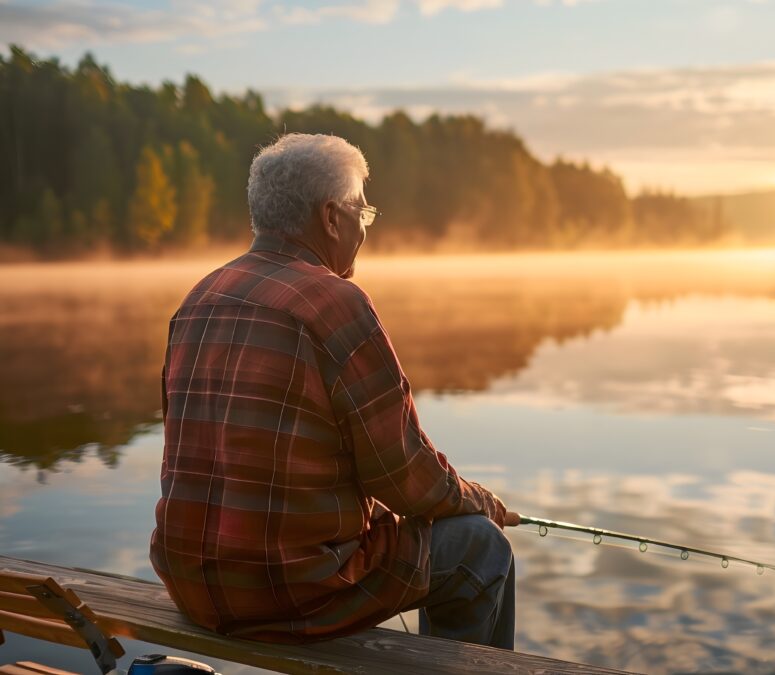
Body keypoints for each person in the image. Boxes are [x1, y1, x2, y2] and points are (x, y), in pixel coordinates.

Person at [149, 133, 519, 649]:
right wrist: (476, 501)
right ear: (330, 217)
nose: (364, 230)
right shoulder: (335, 303)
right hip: (286, 593)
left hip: (189, 583)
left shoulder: (198, 299)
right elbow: (404, 473)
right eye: (362, 214)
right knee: (481, 548)